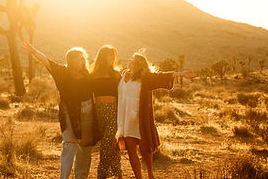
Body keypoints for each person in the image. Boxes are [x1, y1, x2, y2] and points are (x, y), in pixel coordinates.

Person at [23, 39, 99, 179]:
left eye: (83, 59)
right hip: (68, 113)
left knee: (85, 149)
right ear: (71, 61)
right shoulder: (62, 72)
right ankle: (63, 177)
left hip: (87, 112)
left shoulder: (88, 76)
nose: (82, 62)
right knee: (69, 146)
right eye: (79, 59)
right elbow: (46, 61)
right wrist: (33, 50)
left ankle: (81, 177)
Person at [117, 52, 195, 179]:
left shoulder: (145, 77)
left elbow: (161, 76)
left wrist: (181, 74)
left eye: (133, 60)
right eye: (130, 59)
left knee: (145, 148)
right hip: (125, 118)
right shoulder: (124, 74)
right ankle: (138, 177)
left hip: (140, 117)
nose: (130, 60)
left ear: (138, 64)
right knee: (131, 149)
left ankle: (150, 173)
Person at [90, 45, 124, 179]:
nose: (113, 59)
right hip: (98, 113)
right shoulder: (92, 74)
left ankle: (101, 175)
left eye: (113, 56)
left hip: (113, 112)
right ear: (103, 57)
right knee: (112, 147)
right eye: (110, 56)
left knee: (106, 146)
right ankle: (119, 175)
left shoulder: (116, 74)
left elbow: (122, 94)